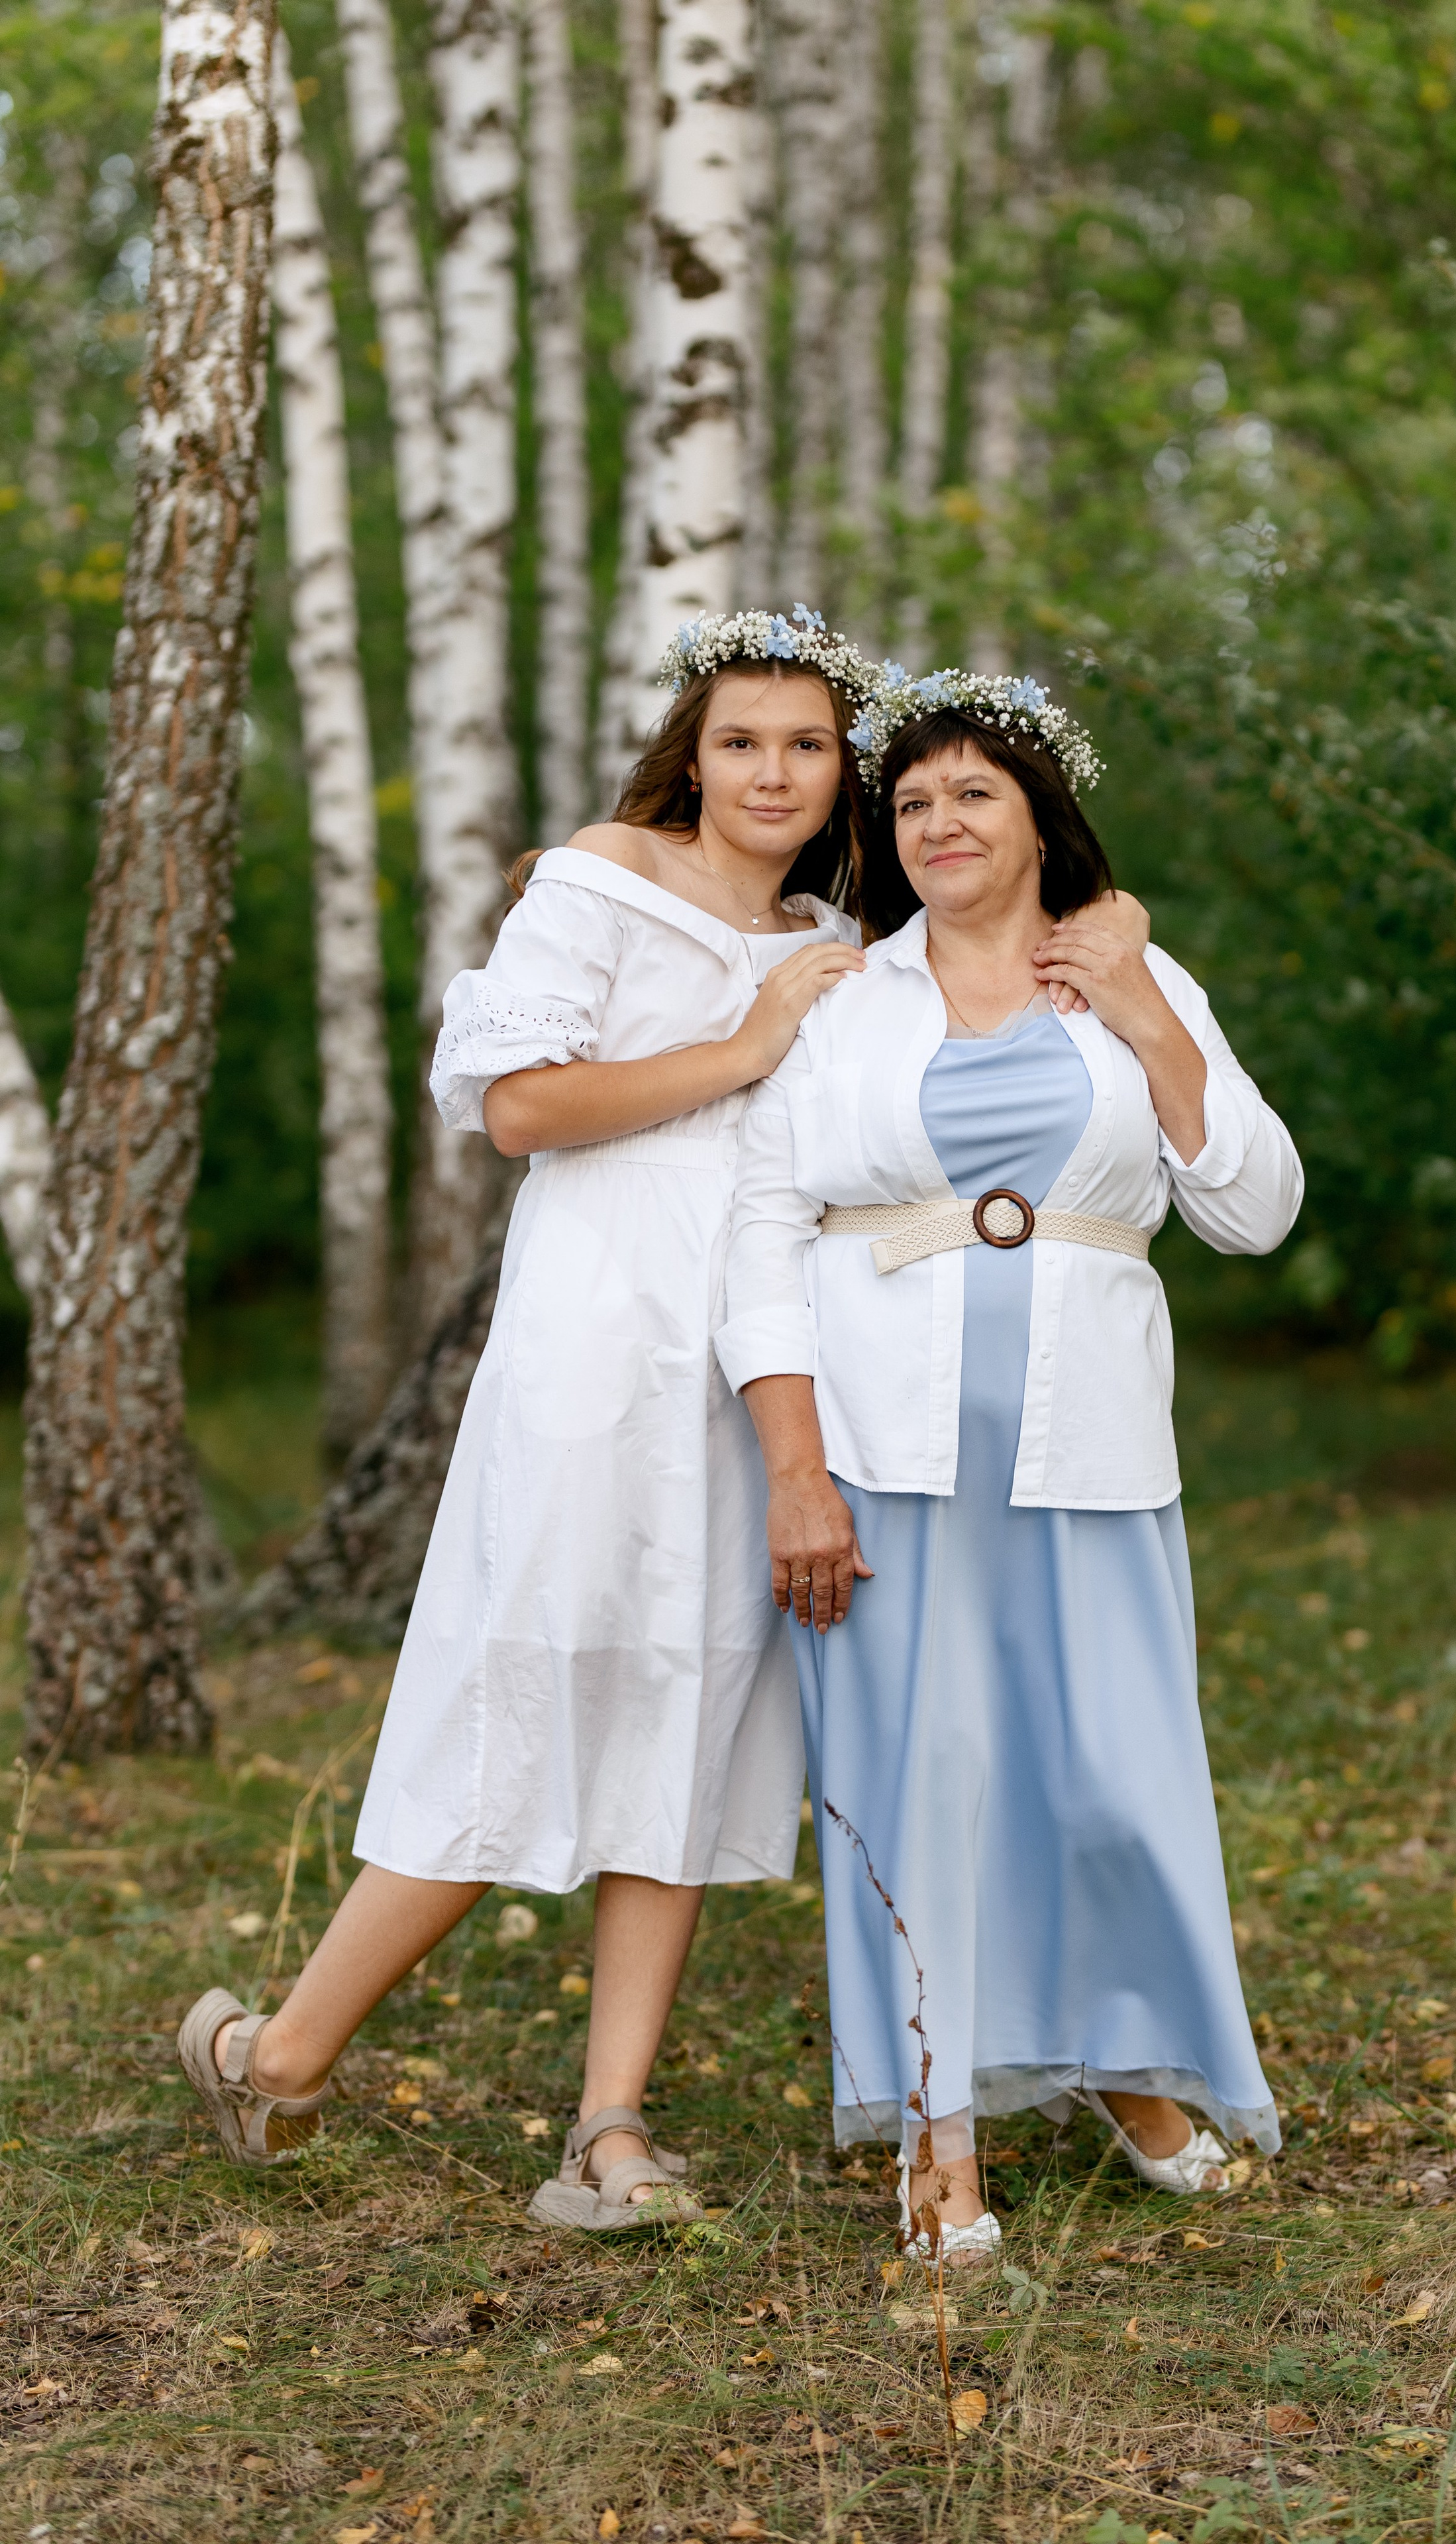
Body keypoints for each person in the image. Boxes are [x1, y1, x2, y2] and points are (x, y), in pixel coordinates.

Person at [178, 609, 871, 2230]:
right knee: (520, 1696)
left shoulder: (836, 936)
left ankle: (608, 2129)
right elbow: (521, 1109)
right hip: (589, 1355)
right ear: (690, 756)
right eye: (740, 740)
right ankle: (281, 2060)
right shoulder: (597, 885)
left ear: (842, 771)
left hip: (756, 1372)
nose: (771, 772)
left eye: (806, 745)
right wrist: (744, 1043)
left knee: (690, 1722)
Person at [715, 668, 1302, 2262]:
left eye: (971, 792)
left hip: (1087, 1445)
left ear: (1039, 817)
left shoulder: (1133, 973)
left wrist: (1144, 1010)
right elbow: (762, 1242)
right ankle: (936, 2123)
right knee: (922, 1781)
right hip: (885, 1446)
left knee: (1106, 1777)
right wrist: (792, 1467)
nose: (936, 823)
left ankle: (1127, 2068)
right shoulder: (842, 999)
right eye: (908, 802)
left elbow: (1252, 1209)